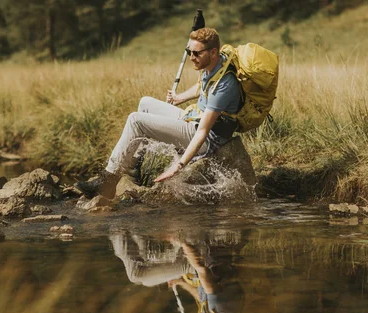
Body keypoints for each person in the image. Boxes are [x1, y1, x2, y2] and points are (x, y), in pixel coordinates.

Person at [75, 27, 242, 199]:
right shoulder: (216, 64)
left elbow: (202, 132)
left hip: (208, 138)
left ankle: (107, 182)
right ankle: (134, 168)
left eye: (196, 53)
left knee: (136, 120)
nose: (192, 58)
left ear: (213, 52)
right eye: (189, 52)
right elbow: (203, 85)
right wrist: (179, 98)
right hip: (196, 118)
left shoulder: (225, 84)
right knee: (145, 103)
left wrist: (179, 165)